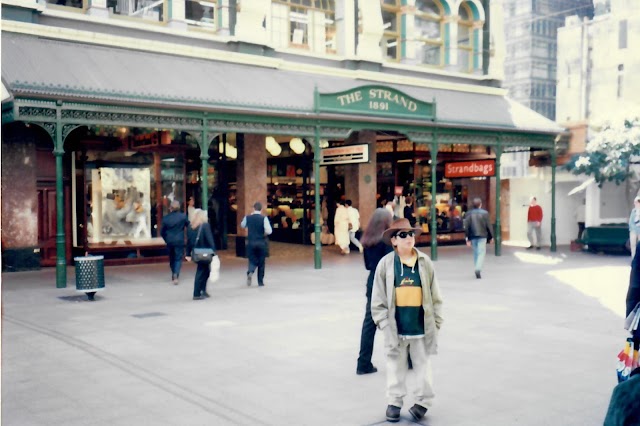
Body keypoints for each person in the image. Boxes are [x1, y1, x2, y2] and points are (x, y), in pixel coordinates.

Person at [371, 218, 444, 423]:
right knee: (395, 365)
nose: (409, 238)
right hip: (396, 328)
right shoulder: (386, 264)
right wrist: (384, 324)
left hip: (421, 326)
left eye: (411, 234)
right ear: (394, 240)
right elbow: (378, 299)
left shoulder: (424, 262)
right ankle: (394, 401)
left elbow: (435, 295)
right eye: (403, 235)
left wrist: (436, 323)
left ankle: (423, 402)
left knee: (423, 366)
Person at [356, 208, 393, 375]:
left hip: (372, 282)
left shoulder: (367, 239)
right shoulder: (387, 240)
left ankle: (363, 363)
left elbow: (366, 266)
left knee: (369, 324)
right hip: (387, 283)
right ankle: (406, 360)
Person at [186, 209, 216, 300]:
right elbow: (210, 239)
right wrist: (214, 251)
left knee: (205, 271)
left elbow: (189, 242)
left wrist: (188, 253)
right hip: (206, 252)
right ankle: (197, 293)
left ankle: (202, 290)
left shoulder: (191, 227)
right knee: (202, 271)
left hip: (196, 252)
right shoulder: (205, 226)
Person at [240, 202, 272, 286]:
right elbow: (269, 231)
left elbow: (242, 225)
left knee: (252, 259)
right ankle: (260, 282)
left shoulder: (248, 217)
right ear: (261, 209)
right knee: (261, 262)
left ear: (253, 208)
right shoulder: (263, 218)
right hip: (261, 242)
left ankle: (250, 271)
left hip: (251, 242)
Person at [463, 197, 493, 279]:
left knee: (476, 252)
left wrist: (467, 238)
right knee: (481, 252)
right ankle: (478, 268)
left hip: (472, 236)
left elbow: (467, 227)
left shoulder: (468, 214)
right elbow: (488, 225)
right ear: (480, 204)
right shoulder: (485, 213)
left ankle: (477, 267)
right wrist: (491, 237)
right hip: (482, 235)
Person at [160, 200, 189, 285]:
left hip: (169, 240)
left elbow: (162, 231)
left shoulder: (166, 218)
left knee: (172, 257)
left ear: (170, 208)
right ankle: (176, 274)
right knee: (178, 258)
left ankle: (174, 273)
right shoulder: (183, 217)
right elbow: (189, 226)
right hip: (179, 239)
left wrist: (166, 239)